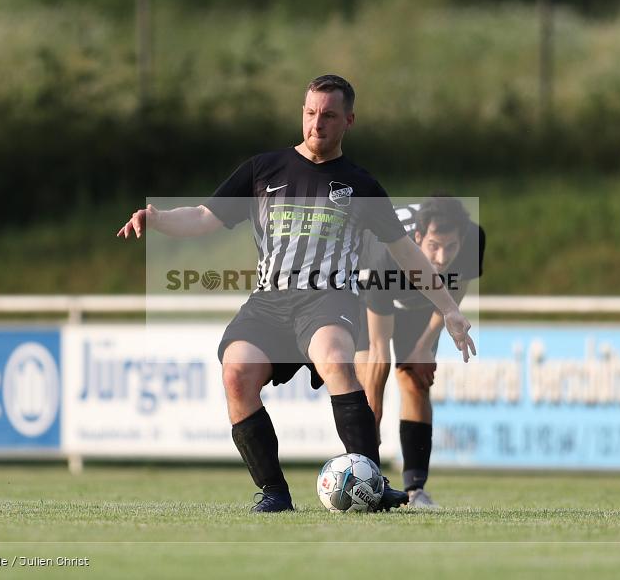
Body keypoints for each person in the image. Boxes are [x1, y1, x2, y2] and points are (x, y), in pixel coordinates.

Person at [117, 75, 476, 512]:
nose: (316, 123)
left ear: (348, 120)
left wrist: (450, 310)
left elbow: (408, 256)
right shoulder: (262, 170)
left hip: (329, 299)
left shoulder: (361, 186)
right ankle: (274, 493)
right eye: (309, 113)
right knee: (236, 373)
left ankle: (371, 484)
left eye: (327, 115)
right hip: (269, 301)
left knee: (334, 357)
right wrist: (158, 218)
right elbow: (202, 216)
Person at [355, 197, 485, 508]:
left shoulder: (472, 239)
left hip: (423, 303)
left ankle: (416, 490)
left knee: (415, 379)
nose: (442, 258)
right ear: (417, 238)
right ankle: (367, 479)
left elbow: (453, 296)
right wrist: (371, 417)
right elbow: (378, 348)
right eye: (434, 246)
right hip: (364, 293)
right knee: (368, 393)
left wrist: (424, 346)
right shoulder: (384, 257)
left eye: (450, 247)